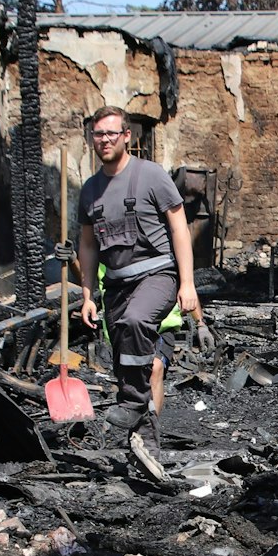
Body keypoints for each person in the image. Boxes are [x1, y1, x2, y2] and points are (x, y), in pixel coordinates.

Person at [75, 106, 200, 441]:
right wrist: (87, 295)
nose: (104, 140)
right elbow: (88, 245)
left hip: (157, 275)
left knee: (136, 321)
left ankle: (132, 403)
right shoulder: (90, 190)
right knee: (126, 366)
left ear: (126, 136)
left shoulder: (151, 175)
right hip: (116, 285)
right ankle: (146, 448)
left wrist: (188, 283)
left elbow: (179, 228)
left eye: (111, 133)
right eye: (98, 134)